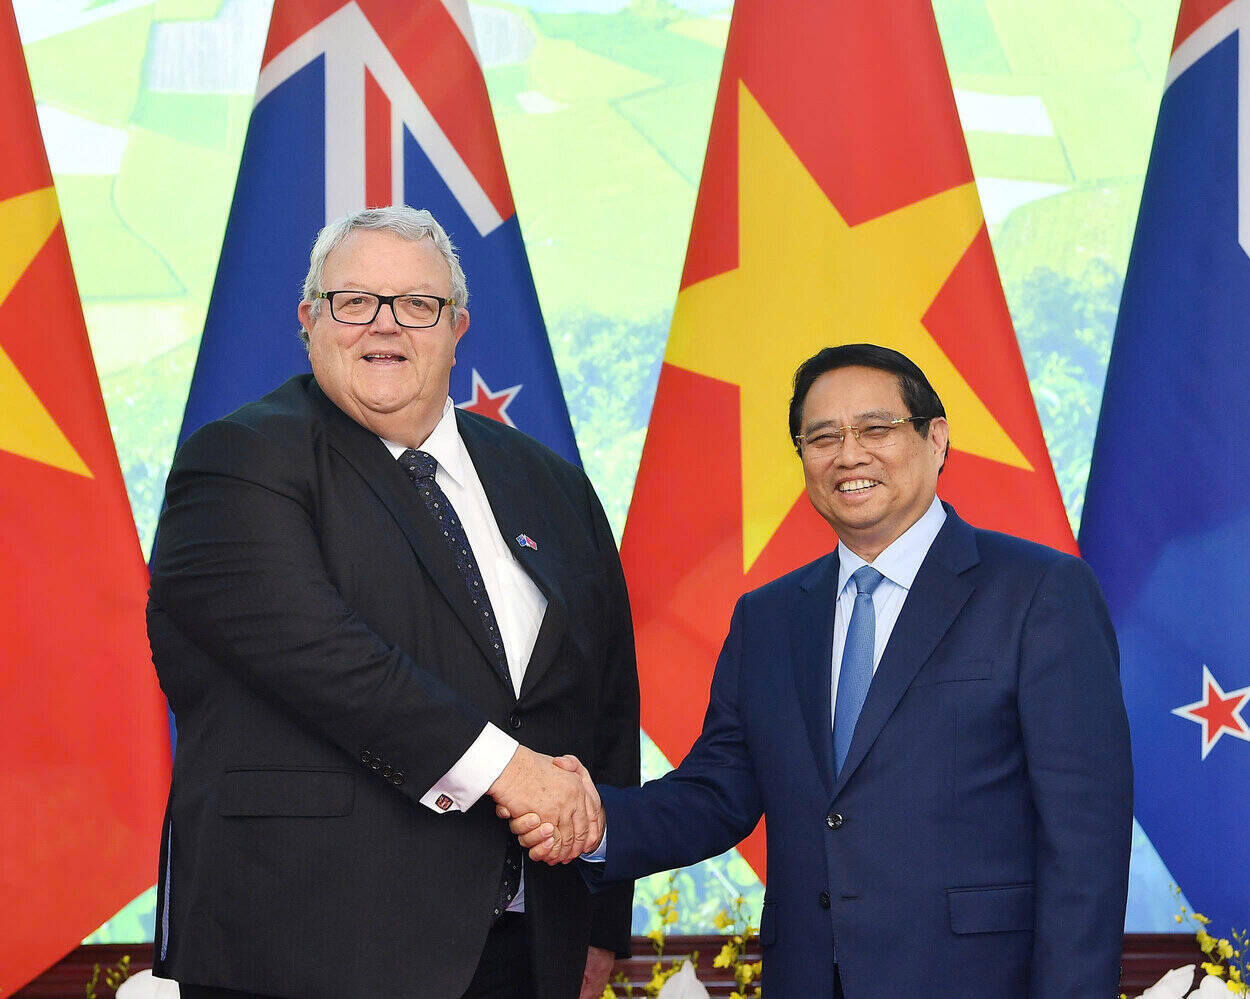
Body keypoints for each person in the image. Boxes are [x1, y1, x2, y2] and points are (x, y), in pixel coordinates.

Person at [508, 344, 1133, 997]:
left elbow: (1086, 836)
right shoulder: (771, 617)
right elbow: (718, 793)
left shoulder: (1040, 592)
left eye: (876, 428)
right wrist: (596, 819)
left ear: (936, 439)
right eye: (822, 436)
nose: (849, 454)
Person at [147, 206, 639, 999]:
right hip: (306, 951)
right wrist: (512, 773)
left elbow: (606, 700)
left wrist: (601, 921)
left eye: (417, 304)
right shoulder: (237, 463)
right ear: (309, 321)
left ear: (457, 328)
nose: (386, 324)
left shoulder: (551, 484)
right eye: (354, 301)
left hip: (525, 949)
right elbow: (321, 656)